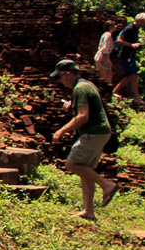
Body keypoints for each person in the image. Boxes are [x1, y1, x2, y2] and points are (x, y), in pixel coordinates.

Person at [49, 59, 117, 220]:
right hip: (101, 132)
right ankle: (88, 211)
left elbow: (83, 117)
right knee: (86, 171)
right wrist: (72, 106)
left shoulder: (79, 88)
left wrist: (62, 130)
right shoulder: (87, 85)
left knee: (72, 164)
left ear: (68, 74)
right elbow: (87, 109)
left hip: (93, 132)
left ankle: (108, 186)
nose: (59, 81)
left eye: (60, 77)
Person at [112, 12, 145, 102]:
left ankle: (137, 97)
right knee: (132, 76)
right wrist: (131, 45)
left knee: (134, 76)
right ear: (139, 21)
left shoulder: (136, 29)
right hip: (126, 55)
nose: (144, 24)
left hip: (131, 55)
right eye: (144, 22)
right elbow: (119, 40)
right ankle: (114, 91)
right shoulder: (129, 28)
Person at [94, 21, 118, 88]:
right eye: (114, 25)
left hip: (101, 55)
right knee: (104, 76)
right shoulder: (108, 35)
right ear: (110, 27)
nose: (116, 26)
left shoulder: (105, 34)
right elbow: (105, 47)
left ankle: (108, 90)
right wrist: (107, 58)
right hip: (103, 56)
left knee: (109, 73)